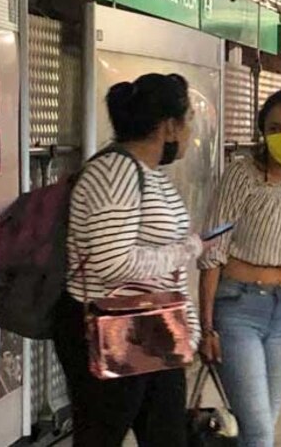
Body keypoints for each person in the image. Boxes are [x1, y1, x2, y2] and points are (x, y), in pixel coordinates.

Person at [57, 73, 206, 446]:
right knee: (102, 437)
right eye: (188, 119)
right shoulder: (116, 171)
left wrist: (187, 331)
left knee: (166, 436)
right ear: (169, 126)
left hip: (148, 324)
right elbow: (113, 262)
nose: (190, 131)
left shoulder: (148, 172)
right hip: (110, 327)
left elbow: (160, 271)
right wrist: (186, 250)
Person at [199, 90, 281, 447]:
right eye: (274, 128)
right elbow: (212, 250)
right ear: (262, 133)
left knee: (264, 424)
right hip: (238, 306)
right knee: (258, 430)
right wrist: (206, 327)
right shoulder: (242, 175)